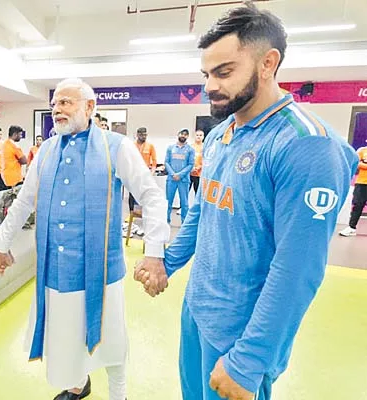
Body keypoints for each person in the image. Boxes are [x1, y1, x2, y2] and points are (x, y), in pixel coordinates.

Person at [135, 4, 358, 400]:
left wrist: (250, 359)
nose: (209, 86)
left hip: (241, 334)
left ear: (268, 63)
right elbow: (203, 211)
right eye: (206, 74)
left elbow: (298, 267)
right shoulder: (223, 134)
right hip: (197, 312)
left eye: (223, 72)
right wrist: (166, 262)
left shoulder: (307, 146)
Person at [0, 78, 170, 400]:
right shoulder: (45, 151)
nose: (58, 109)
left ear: (89, 107)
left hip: (102, 270)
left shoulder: (117, 146)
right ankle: (77, 383)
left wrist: (154, 252)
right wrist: (1, 245)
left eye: (66, 102)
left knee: (111, 338)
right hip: (56, 269)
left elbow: (152, 196)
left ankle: (119, 392)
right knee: (66, 335)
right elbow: (24, 200)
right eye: (55, 103)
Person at [165, 129, 195, 224]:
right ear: (178, 134)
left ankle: (184, 223)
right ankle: (166, 221)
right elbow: (166, 162)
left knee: (184, 203)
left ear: (187, 137)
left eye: (186, 135)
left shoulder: (190, 149)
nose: (183, 136)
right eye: (182, 134)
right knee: (168, 202)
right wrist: (173, 174)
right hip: (171, 179)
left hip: (184, 180)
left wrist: (180, 175)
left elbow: (190, 164)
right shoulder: (171, 148)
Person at [339, 146, 367, 236]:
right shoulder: (362, 150)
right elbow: (356, 163)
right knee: (358, 205)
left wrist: (364, 164)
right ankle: (351, 227)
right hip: (362, 183)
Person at [129, 126, 158, 212]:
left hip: (145, 174)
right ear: (137, 135)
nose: (144, 137)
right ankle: (131, 213)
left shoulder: (150, 146)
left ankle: (144, 212)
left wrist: (152, 172)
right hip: (134, 173)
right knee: (132, 194)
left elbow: (154, 160)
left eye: (145, 135)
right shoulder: (132, 145)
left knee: (144, 194)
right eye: (142, 135)